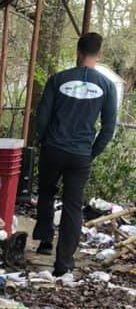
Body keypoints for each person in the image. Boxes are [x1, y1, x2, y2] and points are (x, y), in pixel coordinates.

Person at [33, 32, 117, 276]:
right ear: (99, 54)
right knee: (72, 206)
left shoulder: (58, 80)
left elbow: (42, 118)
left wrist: (45, 141)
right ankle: (63, 263)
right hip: (80, 154)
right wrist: (92, 152)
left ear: (78, 51)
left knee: (47, 193)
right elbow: (108, 126)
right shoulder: (107, 86)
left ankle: (45, 239)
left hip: (53, 149)